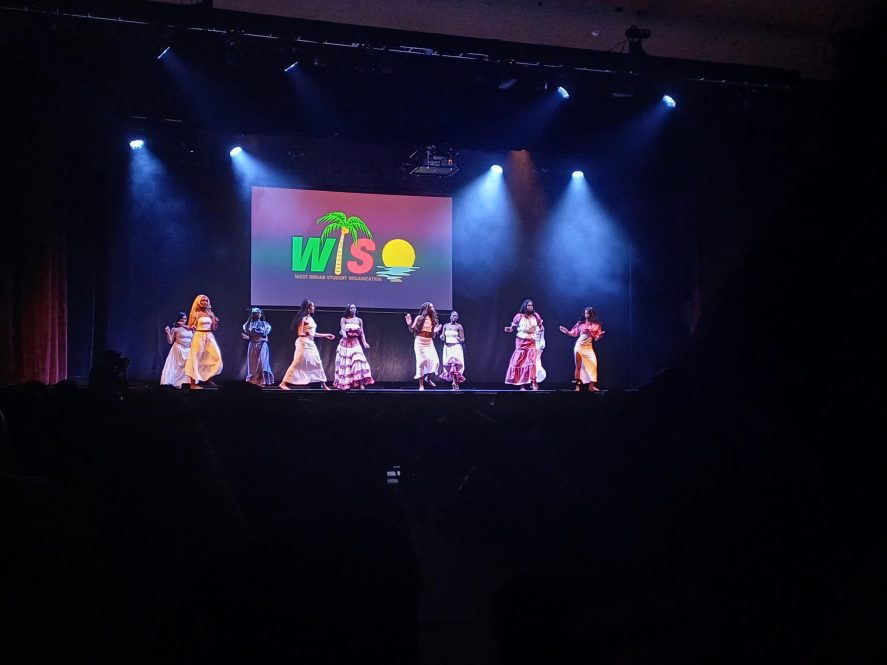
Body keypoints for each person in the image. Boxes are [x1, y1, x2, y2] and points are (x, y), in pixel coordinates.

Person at [279, 299, 335, 390]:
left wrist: (326, 335)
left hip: (310, 343)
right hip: (303, 343)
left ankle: (324, 385)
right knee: (297, 362)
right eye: (312, 306)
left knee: (317, 362)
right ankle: (283, 383)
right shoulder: (303, 318)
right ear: (308, 308)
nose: (314, 307)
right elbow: (300, 333)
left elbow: (314, 333)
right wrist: (307, 334)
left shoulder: (311, 319)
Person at [559, 306, 606, 392]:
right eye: (585, 313)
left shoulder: (596, 325)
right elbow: (573, 333)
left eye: (587, 313)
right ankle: (577, 386)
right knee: (578, 366)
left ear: (592, 314)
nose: (586, 314)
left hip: (588, 347)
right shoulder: (581, 323)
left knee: (593, 364)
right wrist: (566, 331)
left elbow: (596, 338)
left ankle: (591, 386)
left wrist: (598, 336)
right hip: (579, 346)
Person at [184, 294, 223, 389]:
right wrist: (191, 327)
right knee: (195, 357)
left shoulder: (210, 313)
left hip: (209, 336)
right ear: (198, 302)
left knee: (216, 356)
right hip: (199, 335)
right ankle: (193, 383)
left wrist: (216, 322)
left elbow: (213, 328)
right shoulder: (195, 313)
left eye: (206, 300)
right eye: (202, 301)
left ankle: (208, 378)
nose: (204, 302)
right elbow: (189, 326)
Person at [504, 299, 543, 391]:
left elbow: (541, 326)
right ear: (525, 306)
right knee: (520, 362)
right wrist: (509, 329)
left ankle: (533, 382)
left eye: (532, 305)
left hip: (532, 341)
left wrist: (539, 332)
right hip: (521, 342)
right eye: (528, 305)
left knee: (532, 362)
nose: (530, 307)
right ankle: (522, 385)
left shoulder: (536, 316)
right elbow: (512, 328)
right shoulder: (519, 316)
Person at [333, 303, 375, 390]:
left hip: (355, 342)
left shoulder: (359, 320)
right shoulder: (344, 319)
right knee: (346, 363)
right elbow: (343, 329)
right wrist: (344, 334)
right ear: (348, 310)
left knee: (358, 360)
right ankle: (346, 383)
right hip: (345, 344)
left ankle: (360, 383)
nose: (353, 309)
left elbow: (362, 332)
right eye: (351, 308)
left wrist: (364, 343)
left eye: (354, 308)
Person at [405, 302, 442, 390]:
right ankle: (421, 385)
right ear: (426, 309)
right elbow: (412, 330)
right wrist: (409, 324)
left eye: (433, 307)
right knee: (421, 362)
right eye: (431, 307)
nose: (433, 309)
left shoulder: (433, 319)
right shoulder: (419, 318)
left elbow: (432, 334)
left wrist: (435, 331)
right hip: (420, 342)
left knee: (435, 360)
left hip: (429, 342)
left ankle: (428, 378)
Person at [242, 307, 274, 387]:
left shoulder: (264, 324)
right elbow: (249, 335)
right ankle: (253, 381)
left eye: (259, 313)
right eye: (255, 313)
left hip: (262, 345)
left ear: (261, 314)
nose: (257, 314)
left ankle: (262, 381)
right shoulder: (250, 324)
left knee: (262, 363)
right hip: (253, 345)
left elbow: (266, 337)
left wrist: (261, 339)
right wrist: (247, 337)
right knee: (253, 364)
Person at [160, 311, 193, 388]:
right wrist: (168, 332)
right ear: (178, 319)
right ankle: (175, 383)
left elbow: (193, 340)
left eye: (185, 319)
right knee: (176, 367)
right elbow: (170, 341)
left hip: (187, 350)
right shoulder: (175, 329)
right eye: (182, 318)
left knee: (186, 368)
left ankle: (185, 383)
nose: (183, 320)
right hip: (178, 349)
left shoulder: (190, 328)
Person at [438, 310, 466, 390]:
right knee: (449, 366)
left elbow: (463, 339)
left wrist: (459, 339)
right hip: (447, 347)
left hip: (456, 347)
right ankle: (455, 382)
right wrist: (441, 337)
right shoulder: (445, 326)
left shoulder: (459, 326)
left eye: (456, 316)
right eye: (453, 315)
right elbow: (443, 337)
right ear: (450, 317)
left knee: (454, 365)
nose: (455, 317)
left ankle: (455, 382)